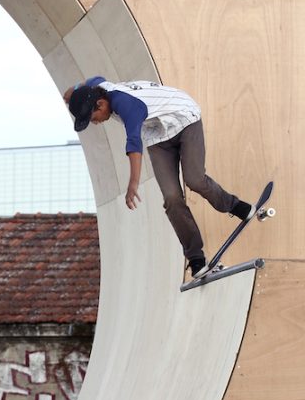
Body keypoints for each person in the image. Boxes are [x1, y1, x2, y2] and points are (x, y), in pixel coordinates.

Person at [66, 79, 254, 278]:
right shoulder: (98, 88)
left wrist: (133, 183)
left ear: (101, 104)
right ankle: (196, 258)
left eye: (93, 118)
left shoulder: (126, 105)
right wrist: (73, 91)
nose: (95, 123)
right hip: (157, 137)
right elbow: (91, 80)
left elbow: (134, 142)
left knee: (194, 179)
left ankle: (235, 206)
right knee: (171, 198)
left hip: (184, 120)